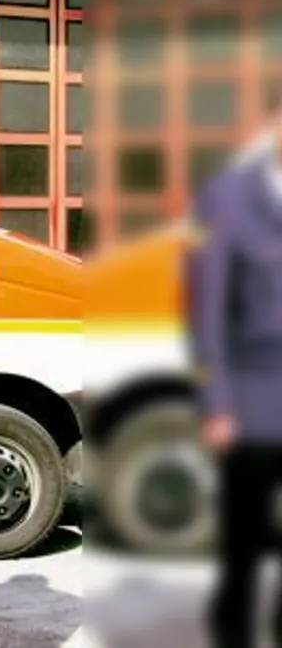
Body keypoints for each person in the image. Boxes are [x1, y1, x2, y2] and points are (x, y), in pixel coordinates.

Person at [188, 107, 282, 648]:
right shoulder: (230, 198)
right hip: (252, 402)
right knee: (243, 549)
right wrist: (217, 402)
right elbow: (209, 312)